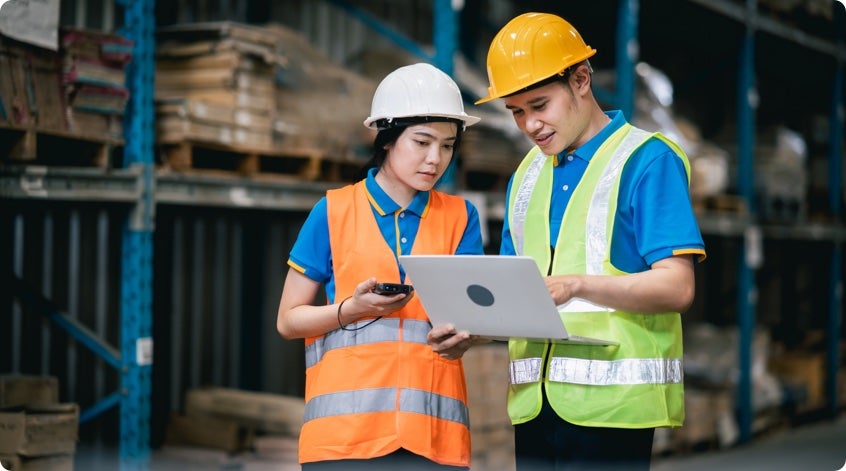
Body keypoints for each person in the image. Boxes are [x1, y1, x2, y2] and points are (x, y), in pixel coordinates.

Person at [473, 11, 707, 470]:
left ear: (581, 79)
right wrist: (471, 329)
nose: (529, 126)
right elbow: (514, 292)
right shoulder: (526, 174)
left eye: (539, 106)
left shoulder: (647, 160)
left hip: (614, 410)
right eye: (516, 112)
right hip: (534, 406)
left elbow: (677, 288)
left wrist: (575, 285)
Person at [276, 62, 484, 470]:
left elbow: (468, 319)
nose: (435, 158)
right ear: (387, 139)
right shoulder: (333, 211)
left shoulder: (462, 217)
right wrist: (349, 311)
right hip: (344, 441)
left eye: (447, 145)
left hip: (432, 439)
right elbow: (288, 320)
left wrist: (469, 336)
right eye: (422, 142)